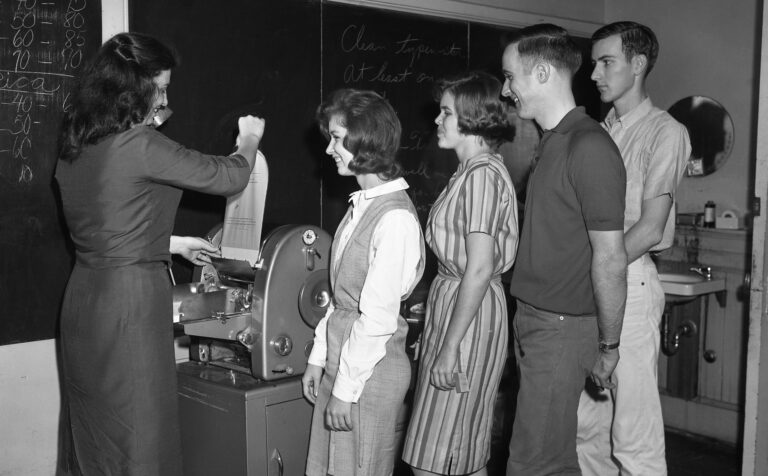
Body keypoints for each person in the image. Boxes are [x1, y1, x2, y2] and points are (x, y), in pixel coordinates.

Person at [55, 32, 265, 475]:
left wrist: (169, 244)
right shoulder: (138, 144)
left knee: (94, 431)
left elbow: (103, 222)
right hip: (127, 305)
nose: (165, 98)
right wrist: (248, 138)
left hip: (84, 301)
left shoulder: (79, 143)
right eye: (162, 88)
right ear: (134, 89)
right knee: (139, 432)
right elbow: (229, 176)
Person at [501, 24, 628, 475]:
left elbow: (611, 259)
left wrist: (609, 345)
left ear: (539, 73)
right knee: (547, 458)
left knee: (535, 463)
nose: (505, 88)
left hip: (560, 328)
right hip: (535, 320)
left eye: (510, 76)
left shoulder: (589, 146)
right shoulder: (553, 141)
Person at [577, 21, 691, 476]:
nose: (595, 74)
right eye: (593, 64)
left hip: (631, 280)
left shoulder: (665, 132)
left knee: (633, 437)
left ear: (638, 64)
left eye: (607, 62)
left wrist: (595, 268)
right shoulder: (599, 132)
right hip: (596, 282)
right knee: (588, 430)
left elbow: (649, 229)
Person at [302, 89, 425, 476]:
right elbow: (343, 303)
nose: (329, 150)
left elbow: (376, 320)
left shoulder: (395, 220)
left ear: (365, 139)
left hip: (368, 377)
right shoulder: (363, 205)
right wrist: (318, 358)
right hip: (344, 368)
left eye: (337, 139)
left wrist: (344, 391)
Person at [402, 71, 518, 476]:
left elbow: (481, 267)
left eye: (446, 112)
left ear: (472, 118)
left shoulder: (483, 176)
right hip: (459, 306)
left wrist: (449, 347)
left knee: (438, 458)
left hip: (469, 312)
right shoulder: (471, 172)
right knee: (457, 452)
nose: (437, 120)